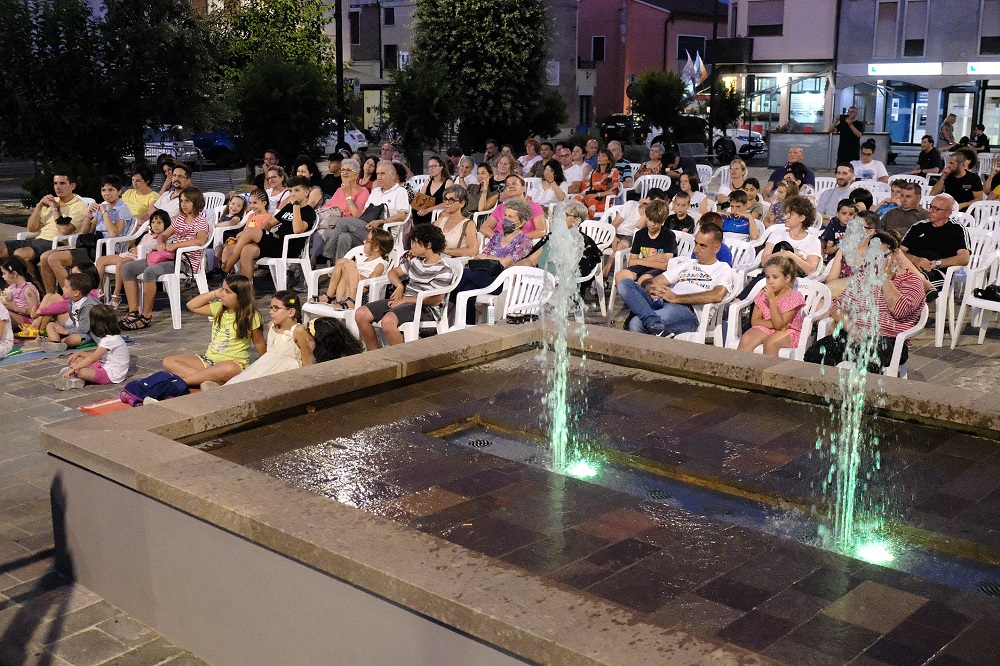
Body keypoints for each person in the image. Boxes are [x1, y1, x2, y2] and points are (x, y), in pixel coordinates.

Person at [805, 231, 925, 373]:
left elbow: (900, 311)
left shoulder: (912, 281)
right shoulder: (864, 278)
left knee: (865, 360)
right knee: (815, 353)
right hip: (857, 335)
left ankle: (862, 388)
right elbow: (838, 307)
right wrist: (851, 327)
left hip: (889, 340)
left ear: (895, 253)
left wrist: (884, 279)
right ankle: (823, 386)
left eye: (882, 256)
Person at [619, 223, 734, 337]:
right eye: (696, 243)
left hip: (688, 312)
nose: (695, 250)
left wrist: (675, 298)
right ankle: (654, 325)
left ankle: (652, 325)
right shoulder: (688, 263)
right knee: (625, 283)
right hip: (663, 302)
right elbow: (654, 281)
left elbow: (717, 295)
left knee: (636, 323)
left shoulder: (723, 268)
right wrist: (652, 288)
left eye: (703, 246)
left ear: (716, 247)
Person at [119, 186, 209, 330]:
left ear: (196, 202)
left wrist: (175, 245)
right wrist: (161, 242)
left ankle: (146, 316)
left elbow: (200, 240)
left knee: (150, 272)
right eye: (181, 201)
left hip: (185, 262)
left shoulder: (200, 221)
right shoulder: (181, 219)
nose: (183, 204)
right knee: (127, 268)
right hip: (169, 257)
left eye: (187, 201)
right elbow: (164, 234)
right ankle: (133, 312)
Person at [355, 224, 454, 349]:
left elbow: (436, 300)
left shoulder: (443, 270)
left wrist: (405, 300)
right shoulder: (416, 261)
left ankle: (401, 357)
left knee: (388, 321)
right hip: (405, 302)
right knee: (361, 314)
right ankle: (374, 353)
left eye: (416, 242)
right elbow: (393, 272)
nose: (412, 246)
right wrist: (399, 285)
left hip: (425, 309)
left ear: (428, 245)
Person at [162, 275, 265, 387]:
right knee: (168, 361)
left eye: (227, 292)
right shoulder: (219, 308)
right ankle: (208, 380)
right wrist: (214, 293)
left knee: (228, 369)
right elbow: (192, 305)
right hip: (209, 361)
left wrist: (266, 365)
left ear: (241, 296)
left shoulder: (251, 316)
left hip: (233, 364)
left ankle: (183, 382)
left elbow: (259, 342)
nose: (222, 294)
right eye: (222, 289)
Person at [40, 175, 133, 295]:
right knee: (45, 256)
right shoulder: (102, 205)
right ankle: (51, 295)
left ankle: (71, 294)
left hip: (107, 249)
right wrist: (89, 214)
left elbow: (114, 233)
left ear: (119, 191)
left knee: (54, 258)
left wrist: (104, 213)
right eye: (103, 190)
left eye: (111, 190)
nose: (106, 193)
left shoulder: (122, 209)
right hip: (91, 246)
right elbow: (85, 231)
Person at [450, 200, 536, 326]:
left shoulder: (524, 241)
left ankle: (439, 299)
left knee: (464, 274)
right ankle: (468, 326)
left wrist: (486, 257)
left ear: (522, 222)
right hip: (484, 275)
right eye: (505, 215)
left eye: (511, 216)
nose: (506, 219)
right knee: (465, 289)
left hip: (503, 281)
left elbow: (505, 263)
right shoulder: (496, 237)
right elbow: (478, 257)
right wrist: (488, 258)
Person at [226, 177, 316, 279]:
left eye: (297, 190)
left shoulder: (309, 212)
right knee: (247, 250)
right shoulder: (287, 208)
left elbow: (297, 230)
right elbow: (269, 223)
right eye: (290, 191)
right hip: (276, 241)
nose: (293, 194)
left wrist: (296, 205)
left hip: (289, 247)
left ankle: (227, 267)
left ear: (306, 192)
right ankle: (246, 287)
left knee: (251, 231)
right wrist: (258, 236)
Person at [0, 171, 88, 272]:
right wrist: (39, 206)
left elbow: (64, 231)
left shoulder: (78, 206)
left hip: (55, 242)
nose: (58, 187)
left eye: (62, 183)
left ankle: (32, 281)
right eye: (55, 183)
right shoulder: (51, 201)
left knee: (20, 254)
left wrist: (55, 208)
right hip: (37, 240)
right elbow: (31, 229)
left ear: (72, 186)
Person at [227, 290, 313, 385]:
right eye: (271, 308)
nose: (271, 312)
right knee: (241, 382)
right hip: (267, 365)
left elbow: (307, 360)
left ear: (291, 312)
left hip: (287, 372)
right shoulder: (271, 325)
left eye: (276, 308)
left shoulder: (298, 331)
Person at [518, 201, 603, 287]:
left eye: (566, 215)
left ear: (577, 219)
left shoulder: (583, 242)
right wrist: (515, 269)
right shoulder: (553, 237)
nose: (560, 217)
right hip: (541, 278)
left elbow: (581, 272)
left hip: (560, 284)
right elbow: (531, 260)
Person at [98, 210, 169, 309]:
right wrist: (133, 250)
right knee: (101, 260)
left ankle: (116, 295)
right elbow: (138, 247)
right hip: (132, 254)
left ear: (166, 224)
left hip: (141, 259)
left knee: (121, 264)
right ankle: (98, 290)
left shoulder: (164, 238)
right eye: (153, 222)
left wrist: (138, 251)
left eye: (159, 223)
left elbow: (154, 251)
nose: (155, 225)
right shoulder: (147, 235)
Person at [736, 256, 806, 356]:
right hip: (769, 328)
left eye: (775, 277)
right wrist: (775, 324)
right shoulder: (763, 294)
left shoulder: (794, 297)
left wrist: (772, 300)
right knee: (746, 339)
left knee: (771, 343)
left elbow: (779, 325)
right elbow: (755, 321)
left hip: (789, 331)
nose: (770, 281)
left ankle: (768, 366)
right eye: (767, 277)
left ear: (787, 278)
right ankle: (742, 365)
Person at [900, 193, 970, 292]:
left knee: (912, 282)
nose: (930, 211)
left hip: (938, 272)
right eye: (930, 206)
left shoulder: (957, 229)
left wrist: (937, 263)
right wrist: (915, 259)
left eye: (936, 209)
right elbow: (899, 251)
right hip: (912, 267)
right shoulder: (918, 227)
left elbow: (964, 258)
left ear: (948, 213)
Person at [54, 304, 130, 390]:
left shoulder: (109, 340)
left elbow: (93, 358)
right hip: (103, 365)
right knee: (77, 360)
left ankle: (74, 377)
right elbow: (97, 355)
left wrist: (73, 369)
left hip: (112, 375)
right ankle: (74, 374)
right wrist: (79, 353)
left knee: (82, 372)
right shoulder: (110, 337)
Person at [314, 228, 392, 308]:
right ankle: (329, 296)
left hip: (362, 296)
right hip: (346, 292)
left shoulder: (380, 263)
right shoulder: (362, 258)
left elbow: (370, 282)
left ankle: (351, 300)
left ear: (376, 248)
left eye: (367, 241)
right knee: (342, 262)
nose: (364, 242)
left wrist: (355, 275)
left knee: (349, 264)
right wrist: (352, 274)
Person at [613, 199, 677, 287]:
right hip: (642, 267)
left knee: (644, 280)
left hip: (658, 271)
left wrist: (639, 261)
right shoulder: (640, 234)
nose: (652, 224)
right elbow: (631, 262)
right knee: (620, 276)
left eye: (656, 222)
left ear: (663, 221)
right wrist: (655, 258)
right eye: (650, 220)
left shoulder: (669, 236)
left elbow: (665, 266)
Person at [760, 195, 822, 278]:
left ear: (802, 218)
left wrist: (790, 255)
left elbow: (809, 270)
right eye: (785, 213)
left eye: (790, 214)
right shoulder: (777, 234)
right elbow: (764, 261)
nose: (784, 217)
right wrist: (783, 255)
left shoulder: (813, 241)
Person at [40, 273, 99, 352]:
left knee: (74, 339)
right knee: (51, 325)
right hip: (75, 327)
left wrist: (66, 332)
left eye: (66, 287)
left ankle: (58, 342)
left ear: (76, 293)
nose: (63, 288)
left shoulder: (88, 306)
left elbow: (85, 328)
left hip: (89, 332)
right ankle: (55, 342)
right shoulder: (73, 300)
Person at [482, 175, 547, 239]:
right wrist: (498, 239)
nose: (511, 186)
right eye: (508, 185)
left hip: (523, 242)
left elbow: (541, 231)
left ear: (523, 188)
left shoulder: (534, 207)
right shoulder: (500, 207)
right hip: (500, 242)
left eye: (514, 183)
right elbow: (484, 228)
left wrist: (517, 239)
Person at [434, 186, 478, 259]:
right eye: (445, 199)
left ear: (462, 203)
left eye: (451, 200)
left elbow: (472, 251)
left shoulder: (468, 224)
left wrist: (445, 250)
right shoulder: (441, 221)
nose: (446, 203)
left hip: (454, 262)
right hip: (436, 259)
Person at [0, 257, 41, 332]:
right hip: (16, 315)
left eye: (4, 273)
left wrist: (14, 308)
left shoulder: (28, 290)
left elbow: (33, 312)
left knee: (3, 314)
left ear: (14, 274)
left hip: (28, 320)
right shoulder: (12, 287)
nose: (3, 276)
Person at [576, 149, 620, 217]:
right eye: (599, 155)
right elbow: (584, 186)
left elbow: (614, 191)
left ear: (609, 160)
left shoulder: (613, 172)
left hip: (604, 201)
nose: (599, 157)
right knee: (577, 198)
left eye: (603, 156)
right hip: (591, 197)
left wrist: (597, 195)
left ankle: (586, 221)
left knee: (583, 201)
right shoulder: (593, 173)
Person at [412, 156, 454, 225]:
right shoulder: (428, 182)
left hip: (438, 212)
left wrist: (428, 210)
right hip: (425, 210)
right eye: (429, 167)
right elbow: (419, 200)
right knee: (412, 212)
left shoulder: (448, 182)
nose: (431, 169)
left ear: (441, 167)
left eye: (434, 166)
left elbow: (447, 202)